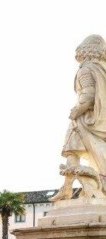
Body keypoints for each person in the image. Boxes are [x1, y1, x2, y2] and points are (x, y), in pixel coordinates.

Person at [50, 35, 106, 200]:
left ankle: (75, 189)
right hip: (99, 119)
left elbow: (88, 94)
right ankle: (68, 188)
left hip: (85, 119)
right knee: (72, 151)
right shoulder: (102, 69)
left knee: (71, 149)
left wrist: (76, 111)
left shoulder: (86, 70)